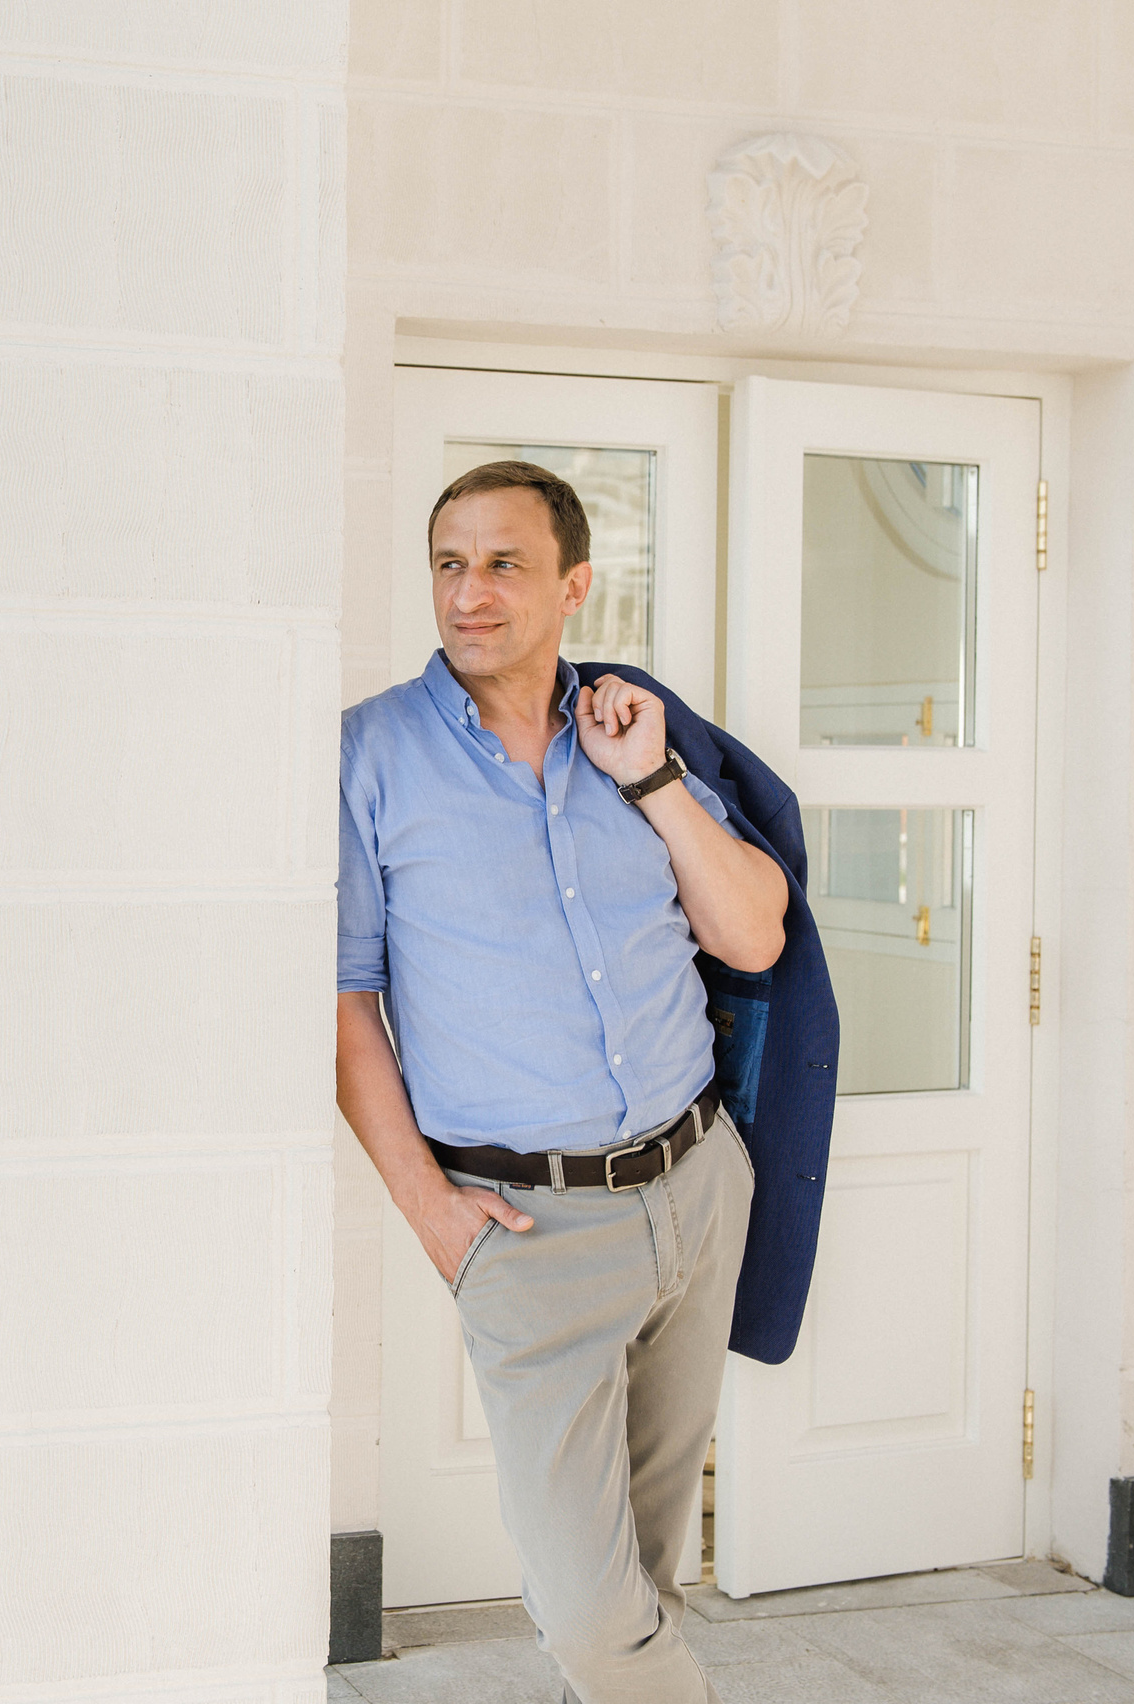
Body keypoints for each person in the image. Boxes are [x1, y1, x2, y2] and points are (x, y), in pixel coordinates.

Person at [337, 461, 837, 1704]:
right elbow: (343, 1004)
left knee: (646, 1582)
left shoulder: (636, 734)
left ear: (573, 585)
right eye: (449, 564)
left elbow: (754, 936)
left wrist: (652, 780)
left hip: (694, 1190)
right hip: (526, 1230)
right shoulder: (370, 756)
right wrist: (430, 1213)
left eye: (503, 564)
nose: (469, 592)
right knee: (590, 1613)